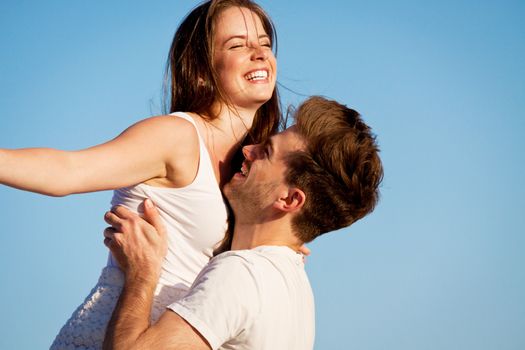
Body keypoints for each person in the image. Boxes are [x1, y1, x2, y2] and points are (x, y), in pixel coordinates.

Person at [0, 1, 282, 348]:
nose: (258, 53)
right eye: (237, 45)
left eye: (264, 43)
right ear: (200, 70)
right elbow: (68, 172)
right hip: (106, 335)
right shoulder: (176, 137)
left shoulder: (258, 161)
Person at [102, 96, 384, 349]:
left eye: (266, 152)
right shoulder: (298, 293)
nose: (248, 150)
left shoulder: (242, 274)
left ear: (289, 200)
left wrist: (142, 272)